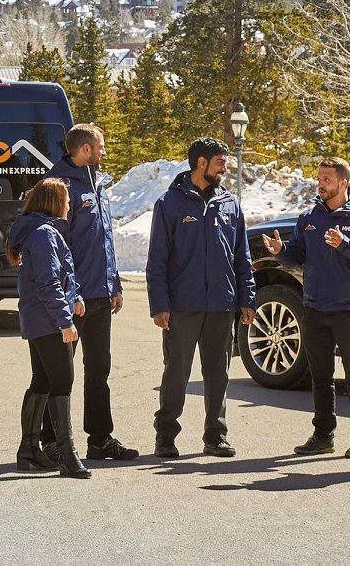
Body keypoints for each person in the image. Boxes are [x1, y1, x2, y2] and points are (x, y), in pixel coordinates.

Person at [17, 123, 138, 462]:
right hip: (71, 298)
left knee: (99, 368)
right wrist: (72, 296)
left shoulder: (99, 182)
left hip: (100, 294)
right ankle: (53, 441)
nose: (104, 152)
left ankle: (100, 439)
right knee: (57, 373)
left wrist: (113, 284)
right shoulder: (58, 188)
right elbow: (55, 249)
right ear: (84, 149)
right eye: (100, 147)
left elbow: (105, 239)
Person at [262, 157, 350, 458]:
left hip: (349, 308)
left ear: (343, 183)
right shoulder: (309, 217)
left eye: (327, 179)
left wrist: (344, 243)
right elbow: (297, 257)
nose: (321, 184)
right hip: (314, 306)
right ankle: (323, 435)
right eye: (319, 178)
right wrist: (281, 253)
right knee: (321, 377)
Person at [146, 136, 256, 459]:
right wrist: (160, 304)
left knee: (218, 375)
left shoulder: (230, 204)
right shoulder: (170, 204)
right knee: (176, 373)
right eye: (220, 162)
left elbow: (242, 256)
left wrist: (247, 298)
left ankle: (216, 435)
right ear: (201, 164)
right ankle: (165, 436)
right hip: (182, 306)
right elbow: (157, 260)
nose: (225, 168)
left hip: (222, 305)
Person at [10, 176, 90, 478]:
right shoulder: (44, 234)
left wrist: (76, 297)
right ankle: (67, 455)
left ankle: (28, 450)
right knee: (63, 380)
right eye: (66, 200)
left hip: (40, 318)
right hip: (47, 321)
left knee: (43, 380)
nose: (69, 204)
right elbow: (47, 283)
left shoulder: (42, 232)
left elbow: (61, 276)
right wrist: (65, 321)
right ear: (54, 202)